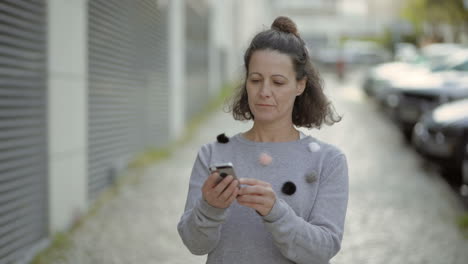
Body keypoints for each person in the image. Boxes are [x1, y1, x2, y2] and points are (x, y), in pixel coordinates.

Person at [177, 16, 348, 264]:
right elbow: (194, 245)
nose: (264, 91)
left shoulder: (329, 161)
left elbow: (322, 251)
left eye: (278, 82)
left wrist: (276, 213)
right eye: (255, 80)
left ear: (300, 85)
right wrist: (209, 207)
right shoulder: (212, 154)